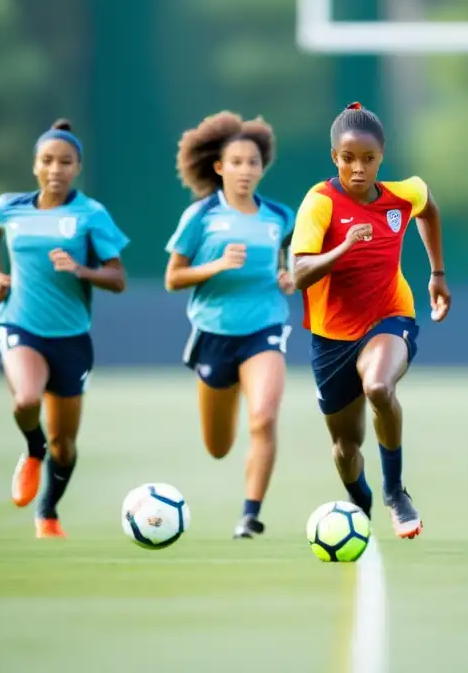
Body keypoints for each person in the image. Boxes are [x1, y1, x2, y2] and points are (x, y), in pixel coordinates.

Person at [291, 102, 451, 540]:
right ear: (334, 158)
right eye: (347, 159)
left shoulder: (404, 194)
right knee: (345, 446)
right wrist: (344, 247)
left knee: (379, 386)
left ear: (382, 157)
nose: (358, 169)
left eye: (368, 159)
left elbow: (430, 209)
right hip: (332, 338)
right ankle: (358, 499)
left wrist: (437, 273)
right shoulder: (319, 202)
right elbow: (300, 271)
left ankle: (395, 491)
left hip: (389, 317)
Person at [0, 119, 130, 539]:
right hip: (19, 323)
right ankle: (32, 450)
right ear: (34, 166)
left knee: (64, 445)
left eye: (65, 162)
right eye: (47, 160)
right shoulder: (10, 206)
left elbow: (117, 278)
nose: (56, 169)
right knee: (27, 399)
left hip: (71, 338)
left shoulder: (90, 214)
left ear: (77, 167)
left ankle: (47, 510)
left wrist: (80, 269)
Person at [164, 111, 294, 540]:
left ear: (262, 168)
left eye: (252, 162)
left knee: (263, 417)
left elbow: (294, 260)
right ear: (218, 167)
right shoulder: (200, 216)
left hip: (265, 328)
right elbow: (173, 278)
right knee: (218, 446)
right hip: (214, 334)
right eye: (235, 162)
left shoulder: (279, 217)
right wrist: (216, 265)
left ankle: (250, 515)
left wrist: (291, 274)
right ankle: (230, 388)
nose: (244, 170)